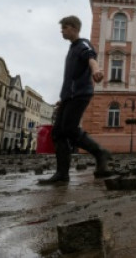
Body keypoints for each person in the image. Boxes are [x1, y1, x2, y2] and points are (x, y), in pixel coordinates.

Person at [40, 15, 112, 184]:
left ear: (73, 27)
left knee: (70, 130)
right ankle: (62, 174)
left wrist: (96, 71)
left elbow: (91, 58)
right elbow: (71, 76)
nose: (62, 31)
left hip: (80, 94)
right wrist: (63, 98)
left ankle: (100, 152)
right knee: (58, 133)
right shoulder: (72, 48)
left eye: (64, 28)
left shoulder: (82, 44)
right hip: (69, 96)